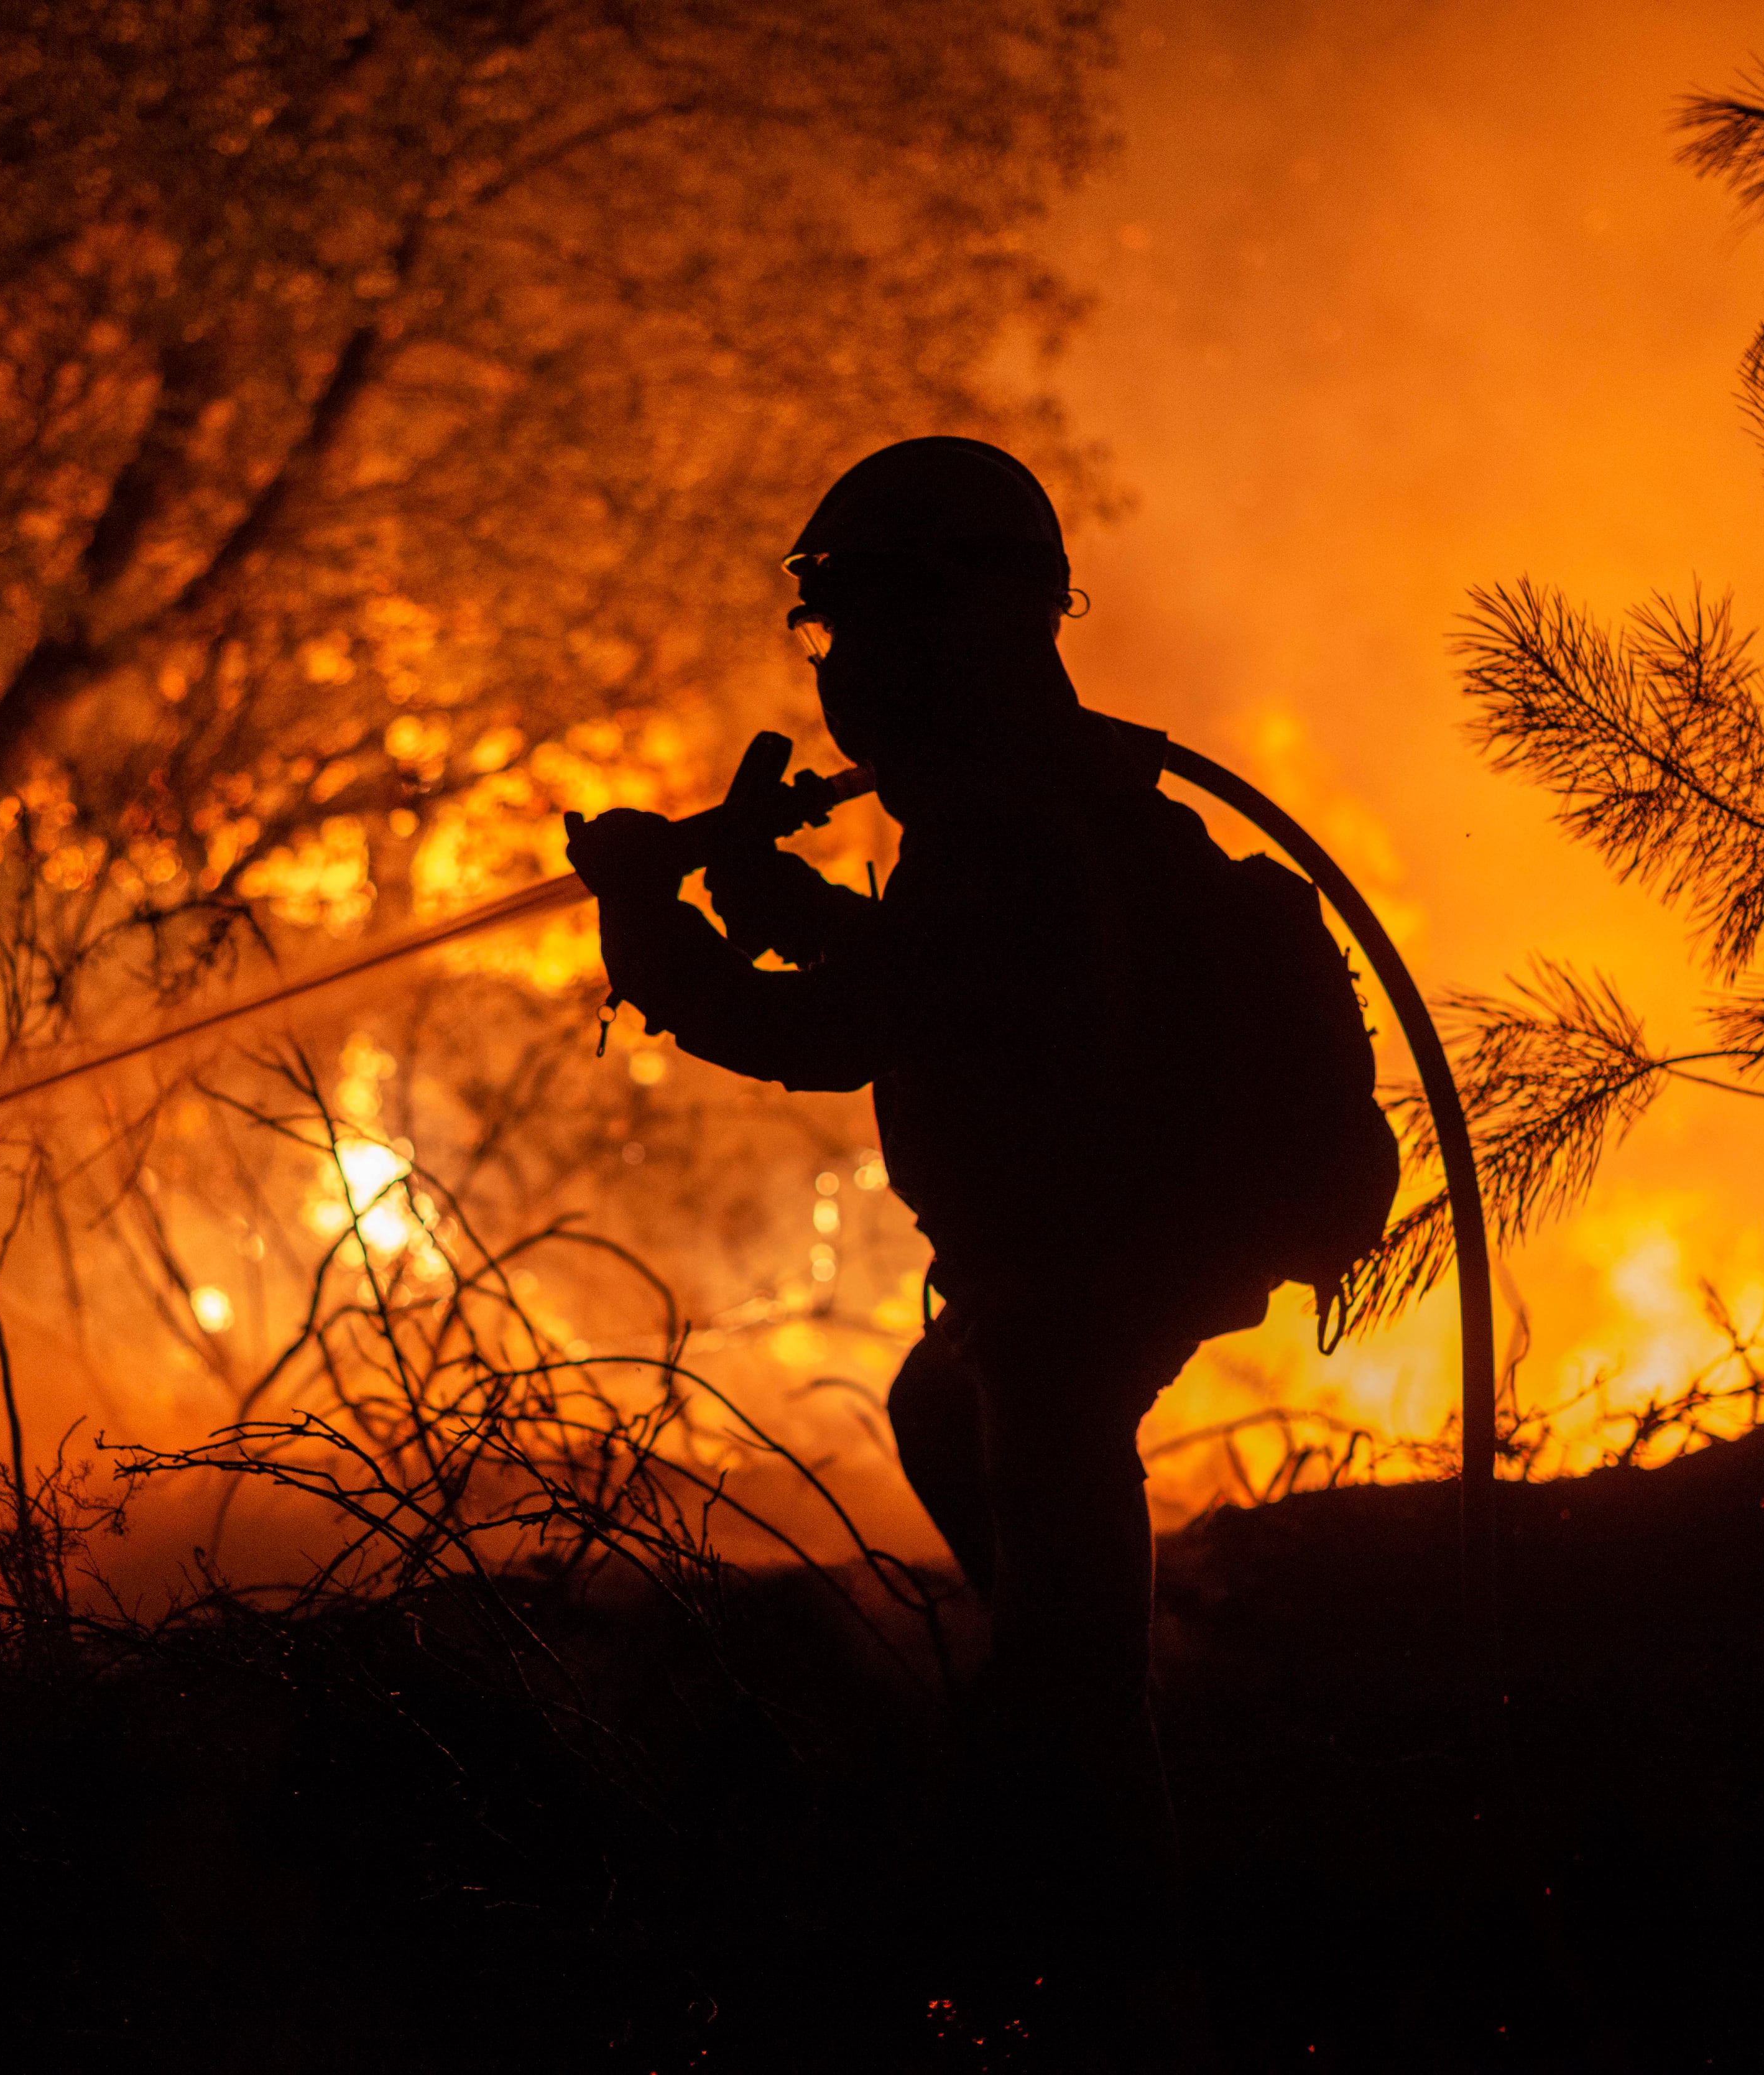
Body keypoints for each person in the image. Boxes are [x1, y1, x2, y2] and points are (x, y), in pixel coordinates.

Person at [565, 437, 1339, 2051]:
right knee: (946, 1426)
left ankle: (1113, 1993)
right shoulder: (1036, 807)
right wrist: (763, 883)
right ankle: (1121, 1900)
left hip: (1073, 1295)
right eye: (828, 633)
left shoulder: (1012, 837)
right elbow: (943, 985)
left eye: (855, 625)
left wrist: (649, 919)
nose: (840, 669)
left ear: (956, 622)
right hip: (1058, 1285)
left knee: (1061, 1692)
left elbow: (823, 1028)